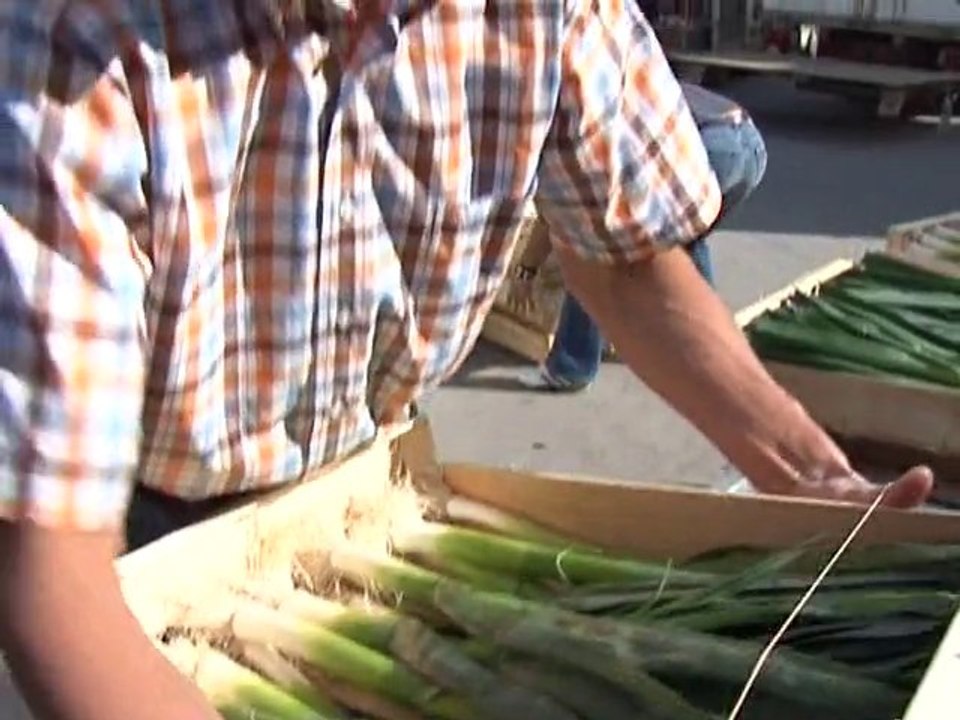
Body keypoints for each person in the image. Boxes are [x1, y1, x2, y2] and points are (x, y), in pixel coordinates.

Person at [0, 2, 932, 720]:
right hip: (145, 542)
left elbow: (630, 257)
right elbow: (48, 559)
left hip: (372, 496)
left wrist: (806, 470)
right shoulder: (80, 35)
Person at [511, 83, 768, 391]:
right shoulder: (618, 79)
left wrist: (526, 269)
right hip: (751, 148)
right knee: (683, 239)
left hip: (711, 147)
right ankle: (712, 351)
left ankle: (571, 366)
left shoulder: (572, 120)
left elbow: (562, 216)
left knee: (596, 247)